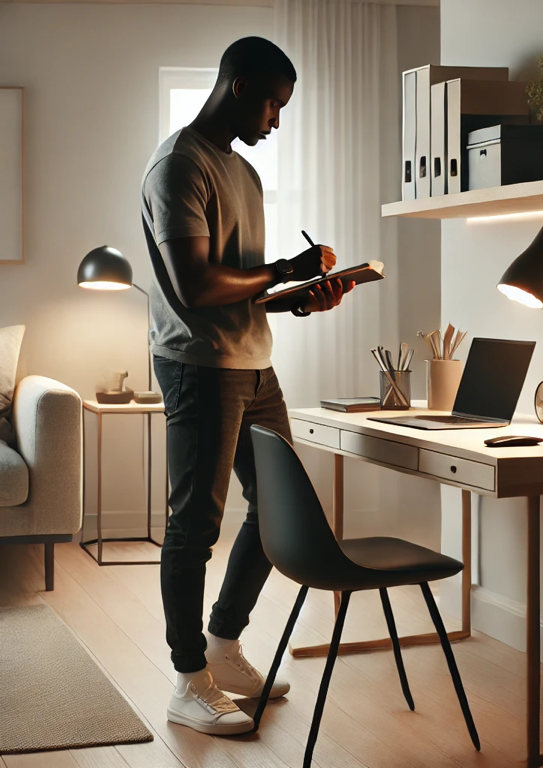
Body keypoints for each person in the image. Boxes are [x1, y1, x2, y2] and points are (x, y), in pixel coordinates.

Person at [141, 36, 354, 736]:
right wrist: (283, 269)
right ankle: (186, 679)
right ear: (237, 87)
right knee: (194, 527)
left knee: (277, 512)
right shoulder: (178, 166)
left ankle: (224, 645)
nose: (276, 120)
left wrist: (303, 294)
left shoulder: (246, 175)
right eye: (271, 103)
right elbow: (197, 286)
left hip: (255, 365)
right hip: (199, 366)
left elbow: (245, 292)